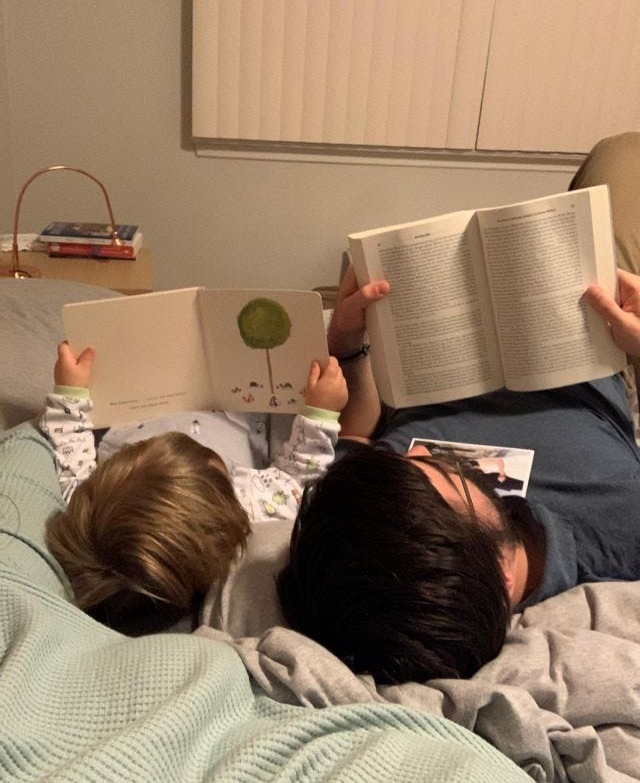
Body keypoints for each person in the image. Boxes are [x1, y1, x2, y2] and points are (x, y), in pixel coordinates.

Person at [278, 131, 640, 685]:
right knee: (622, 156)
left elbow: (358, 430)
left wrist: (348, 345)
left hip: (430, 355)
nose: (418, 456)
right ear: (502, 572)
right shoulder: (622, 531)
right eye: (445, 477)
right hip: (589, 341)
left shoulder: (366, 524)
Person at [41, 342, 347, 632]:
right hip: (236, 410)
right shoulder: (254, 507)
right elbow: (299, 477)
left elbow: (70, 450)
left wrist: (70, 393)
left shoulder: (88, 511)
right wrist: (320, 415)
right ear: (229, 517)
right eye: (222, 473)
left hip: (146, 402)